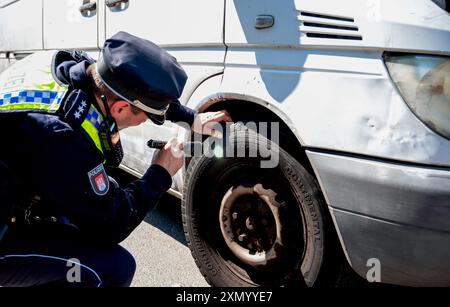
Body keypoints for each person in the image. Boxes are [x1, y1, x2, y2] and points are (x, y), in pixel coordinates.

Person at [0, 31, 231, 287]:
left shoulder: (71, 66)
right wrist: (160, 172)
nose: (144, 121)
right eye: (145, 117)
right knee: (113, 268)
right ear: (120, 108)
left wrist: (190, 117)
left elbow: (133, 91)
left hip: (15, 177)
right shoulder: (60, 137)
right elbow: (112, 224)